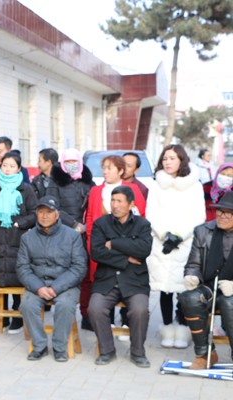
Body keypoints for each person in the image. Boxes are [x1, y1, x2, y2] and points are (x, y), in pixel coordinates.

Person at [146, 144, 205, 348]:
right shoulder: (156, 185)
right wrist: (165, 235)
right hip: (161, 242)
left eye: (172, 158)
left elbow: (199, 216)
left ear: (181, 160)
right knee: (164, 289)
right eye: (164, 158)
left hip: (185, 243)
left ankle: (182, 329)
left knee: (184, 288)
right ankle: (166, 329)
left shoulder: (194, 185)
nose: (167, 162)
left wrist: (178, 236)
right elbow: (150, 214)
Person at [88, 186, 153, 367]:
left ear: (131, 204)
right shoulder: (101, 224)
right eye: (112, 200)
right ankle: (107, 350)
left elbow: (144, 249)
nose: (114, 205)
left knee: (139, 311)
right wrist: (126, 258)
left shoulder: (142, 225)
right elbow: (96, 253)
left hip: (134, 280)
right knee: (95, 308)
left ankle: (138, 352)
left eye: (119, 201)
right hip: (107, 280)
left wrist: (114, 243)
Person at [17, 196, 87, 361]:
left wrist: (56, 288)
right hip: (38, 284)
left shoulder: (72, 236)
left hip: (65, 285)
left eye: (49, 212)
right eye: (41, 212)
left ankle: (59, 347)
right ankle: (39, 346)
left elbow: (79, 268)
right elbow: (22, 268)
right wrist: (39, 287)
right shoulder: (27, 237)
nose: (45, 216)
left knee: (64, 305)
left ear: (58, 215)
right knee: (27, 304)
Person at [83, 155, 147, 331]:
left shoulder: (132, 188)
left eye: (110, 168)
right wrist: (91, 242)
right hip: (102, 248)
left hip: (127, 247)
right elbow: (89, 217)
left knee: (126, 282)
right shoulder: (96, 191)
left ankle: (126, 323)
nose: (105, 171)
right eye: (103, 167)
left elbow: (141, 214)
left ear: (120, 171)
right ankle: (107, 322)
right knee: (104, 284)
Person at [0, 152, 38, 333]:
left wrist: (19, 224)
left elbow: (34, 213)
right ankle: (1, 318)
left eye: (12, 166)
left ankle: (17, 318)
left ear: (19, 169)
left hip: (19, 239)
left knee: (18, 277)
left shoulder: (25, 189)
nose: (8, 169)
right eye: (5, 165)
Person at [179, 190, 233, 369]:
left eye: (227, 212)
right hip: (210, 284)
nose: (221, 216)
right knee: (189, 297)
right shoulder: (203, 231)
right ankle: (205, 353)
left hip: (231, 289)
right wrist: (191, 276)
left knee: (229, 302)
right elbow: (193, 263)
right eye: (219, 211)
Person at [46, 148, 95, 233]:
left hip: (86, 229)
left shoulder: (88, 181)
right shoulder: (56, 181)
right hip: (63, 228)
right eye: (67, 162)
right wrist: (74, 224)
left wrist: (87, 225)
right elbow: (52, 206)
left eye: (74, 161)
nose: (71, 164)